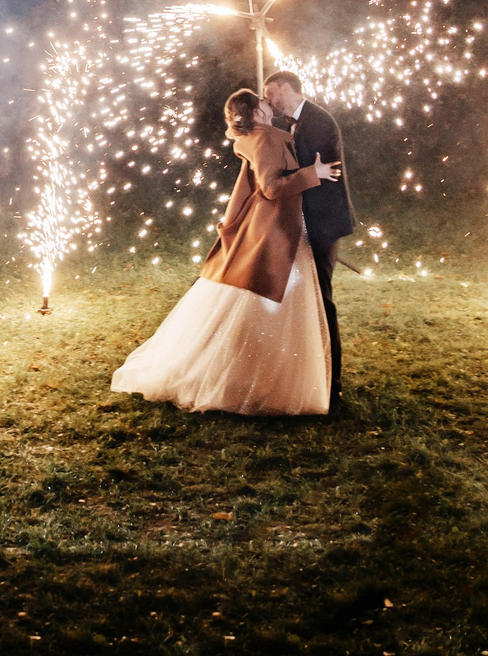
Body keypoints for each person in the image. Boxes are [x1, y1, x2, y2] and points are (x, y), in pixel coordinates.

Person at [111, 88, 334, 415]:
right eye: (260, 98)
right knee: (270, 304)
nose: (266, 100)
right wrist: (314, 174)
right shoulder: (265, 140)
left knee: (272, 307)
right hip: (274, 232)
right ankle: (261, 383)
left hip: (281, 229)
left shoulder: (267, 136)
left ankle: (264, 379)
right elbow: (271, 187)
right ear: (255, 112)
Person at [261, 69, 350, 404]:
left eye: (270, 92)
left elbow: (322, 171)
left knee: (322, 299)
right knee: (308, 298)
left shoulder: (318, 121)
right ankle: (311, 372)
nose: (268, 98)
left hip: (323, 222)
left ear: (286, 88)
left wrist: (295, 174)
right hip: (307, 222)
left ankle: (332, 382)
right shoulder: (294, 124)